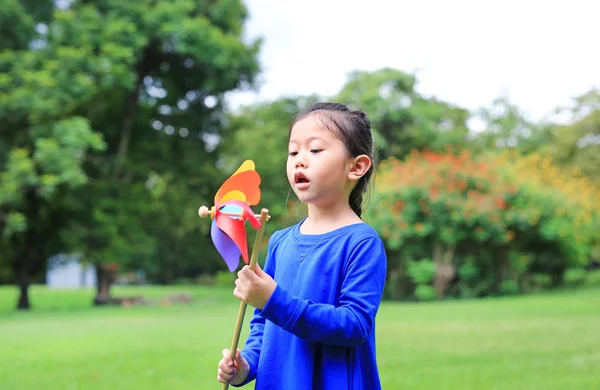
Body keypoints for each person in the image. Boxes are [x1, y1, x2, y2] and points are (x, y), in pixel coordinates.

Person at [217, 102, 387, 389]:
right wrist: (247, 364)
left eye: (315, 150)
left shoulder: (361, 242)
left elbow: (354, 325)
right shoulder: (280, 242)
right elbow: (263, 323)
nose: (299, 160)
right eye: (293, 151)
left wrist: (273, 300)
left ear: (356, 166)